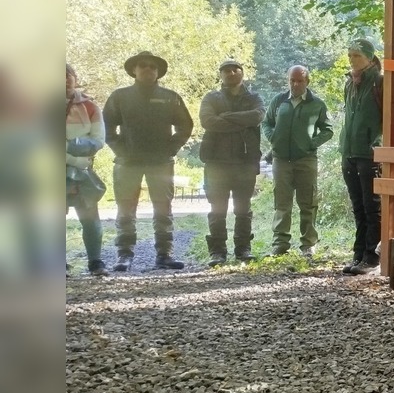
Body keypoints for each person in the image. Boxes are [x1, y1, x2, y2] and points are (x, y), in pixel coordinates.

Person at [103, 50, 194, 271]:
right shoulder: (120, 96)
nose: (148, 69)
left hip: (160, 162)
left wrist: (170, 148)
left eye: (153, 67)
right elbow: (106, 128)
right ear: (134, 70)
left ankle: (164, 254)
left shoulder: (170, 97)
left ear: (158, 72)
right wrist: (121, 151)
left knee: (163, 208)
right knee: (126, 209)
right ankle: (124, 255)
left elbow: (186, 126)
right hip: (127, 163)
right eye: (142, 65)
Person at [199, 58, 265, 266]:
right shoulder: (211, 98)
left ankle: (243, 249)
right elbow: (208, 121)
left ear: (242, 73)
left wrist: (226, 117)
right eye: (226, 70)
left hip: (245, 162)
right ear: (220, 74)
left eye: (236, 69)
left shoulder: (253, 98)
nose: (231, 72)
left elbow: (257, 116)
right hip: (216, 163)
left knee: (243, 208)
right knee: (217, 208)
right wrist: (239, 122)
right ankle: (217, 252)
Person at [263, 65, 334, 259]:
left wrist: (312, 144)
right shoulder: (279, 101)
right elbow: (266, 123)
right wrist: (273, 137)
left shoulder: (317, 104)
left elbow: (328, 130)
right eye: (292, 80)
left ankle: (308, 245)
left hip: (306, 160)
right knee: (282, 203)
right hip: (281, 160)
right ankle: (280, 244)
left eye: (300, 80)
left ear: (307, 81)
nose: (295, 84)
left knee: (308, 203)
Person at [340, 38, 384, 275]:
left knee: (372, 206)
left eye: (356, 55)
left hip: (370, 153)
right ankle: (359, 254)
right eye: (350, 55)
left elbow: (389, 117)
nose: (352, 60)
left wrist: (376, 143)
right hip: (349, 152)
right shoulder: (350, 83)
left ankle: (372, 257)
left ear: (368, 57)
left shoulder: (380, 81)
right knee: (358, 206)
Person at [66, 64, 109, 277]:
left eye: (67, 75)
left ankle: (95, 262)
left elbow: (98, 140)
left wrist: (69, 147)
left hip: (82, 170)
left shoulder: (90, 106)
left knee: (90, 216)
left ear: (75, 78)